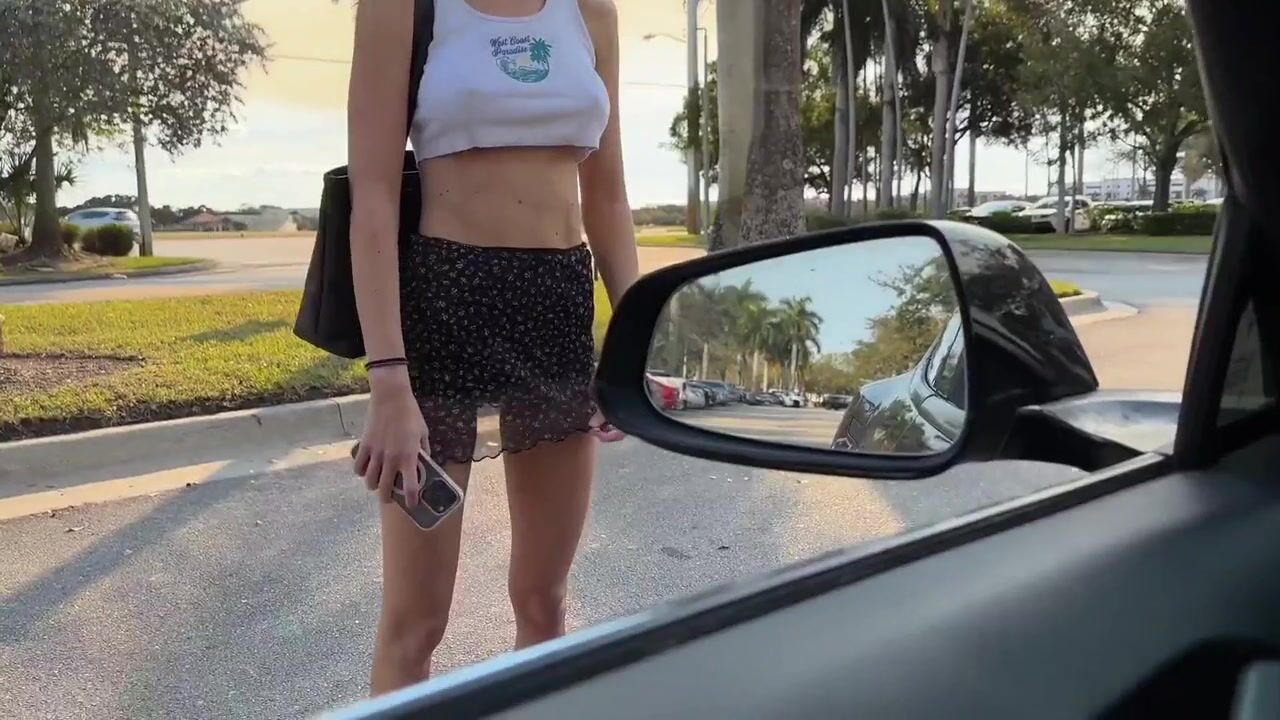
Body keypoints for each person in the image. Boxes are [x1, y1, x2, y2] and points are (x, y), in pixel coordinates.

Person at [346, 0, 637, 695]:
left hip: (557, 308)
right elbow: (374, 199)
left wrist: (640, 334)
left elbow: (608, 198)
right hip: (443, 305)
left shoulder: (590, 11)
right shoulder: (401, 6)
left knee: (544, 603)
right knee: (416, 625)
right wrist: (388, 380)